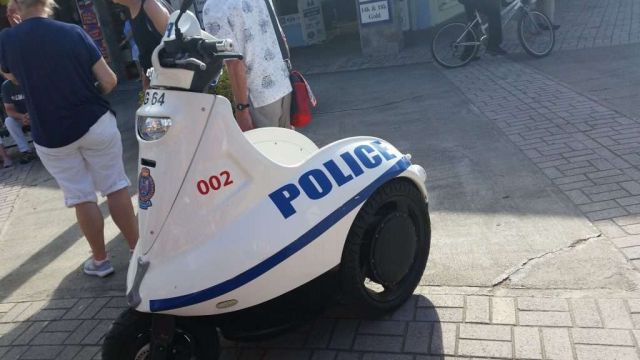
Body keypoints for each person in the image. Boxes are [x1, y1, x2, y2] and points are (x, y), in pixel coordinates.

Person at [0, 0, 139, 277]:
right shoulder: (73, 32)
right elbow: (109, 80)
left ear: (15, 6)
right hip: (94, 121)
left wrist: (17, 34)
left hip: (51, 132)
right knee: (115, 186)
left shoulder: (7, 39)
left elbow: (13, 78)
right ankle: (139, 252)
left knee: (81, 196)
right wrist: (89, 94)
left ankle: (101, 261)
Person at [203, 0, 293, 131]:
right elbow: (282, 39)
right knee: (291, 147)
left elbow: (234, 62)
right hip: (284, 86)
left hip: (258, 98)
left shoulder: (213, 8)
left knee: (265, 149)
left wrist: (241, 110)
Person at [111, 0, 171, 91]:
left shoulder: (150, 5)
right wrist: (145, 77)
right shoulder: (133, 10)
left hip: (171, 82)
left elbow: (173, 44)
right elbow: (146, 50)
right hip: (156, 82)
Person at [2, 79, 36, 164]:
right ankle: (26, 151)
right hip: (21, 117)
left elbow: (42, 101)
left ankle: (44, 145)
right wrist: (22, 117)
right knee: (9, 121)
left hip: (36, 113)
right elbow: (9, 110)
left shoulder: (30, 79)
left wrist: (32, 116)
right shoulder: (6, 86)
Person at [120, 12, 144, 82]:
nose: (121, 17)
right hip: (137, 43)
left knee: (138, 61)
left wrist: (124, 41)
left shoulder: (127, 22)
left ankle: (141, 76)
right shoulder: (133, 20)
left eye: (121, 15)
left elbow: (131, 33)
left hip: (135, 44)